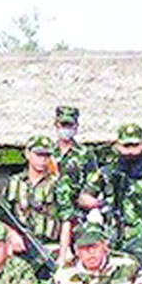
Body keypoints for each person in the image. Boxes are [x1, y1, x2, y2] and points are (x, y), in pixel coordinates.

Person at [82, 124, 142, 284]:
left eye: (134, 145)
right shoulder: (106, 173)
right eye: (126, 146)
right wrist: (102, 205)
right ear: (117, 146)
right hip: (113, 239)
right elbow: (84, 197)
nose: (130, 151)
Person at [2, 135, 61, 279]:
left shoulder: (57, 184)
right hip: (21, 247)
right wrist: (12, 234)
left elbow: (67, 219)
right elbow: (1, 214)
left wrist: (64, 253)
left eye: (47, 156)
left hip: (49, 247)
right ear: (27, 154)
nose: (42, 160)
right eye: (38, 155)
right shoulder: (15, 182)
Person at [52, 105, 98, 265]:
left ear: (76, 127)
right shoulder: (47, 153)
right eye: (62, 125)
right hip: (50, 218)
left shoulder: (85, 154)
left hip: (78, 218)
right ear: (56, 125)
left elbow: (93, 186)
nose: (66, 129)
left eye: (69, 126)